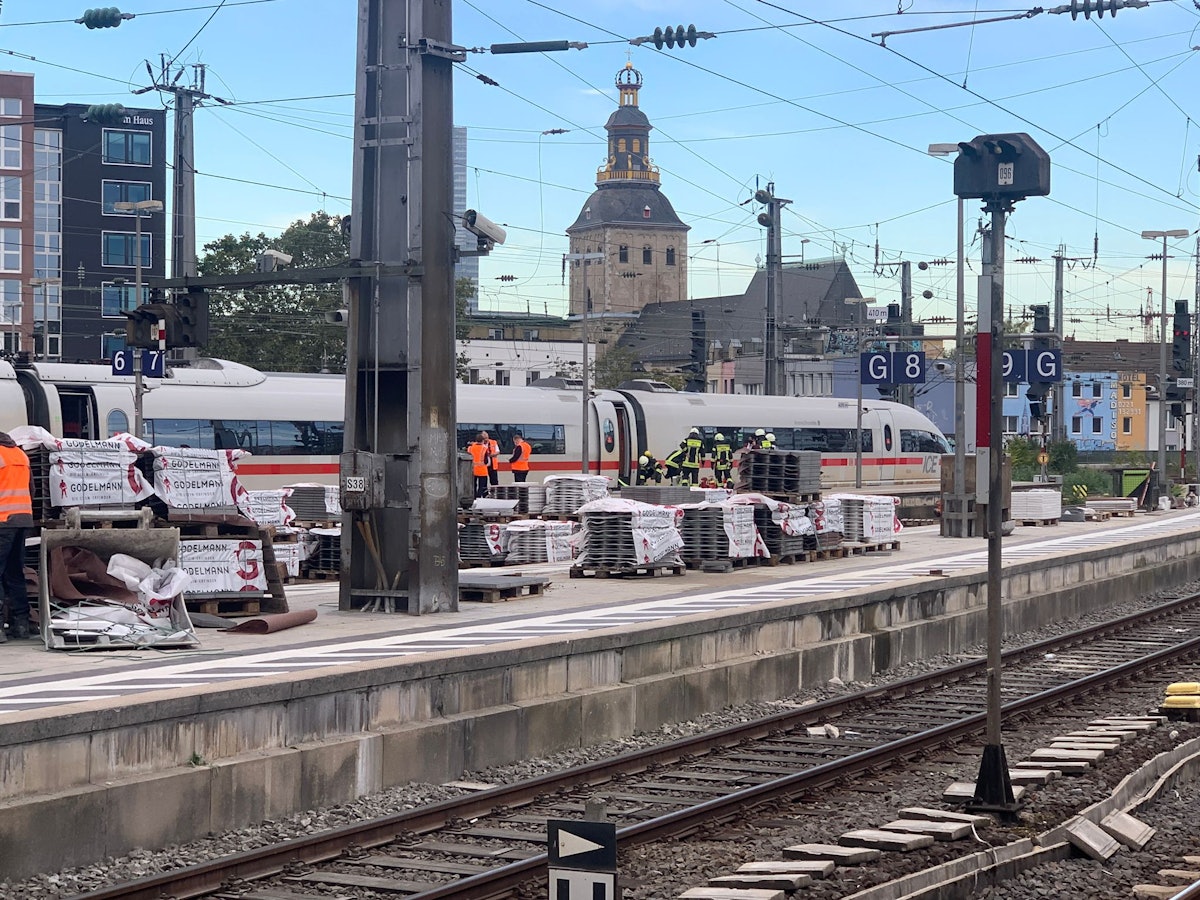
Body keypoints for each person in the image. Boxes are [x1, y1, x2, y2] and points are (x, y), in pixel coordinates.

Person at [0, 431, 34, 642]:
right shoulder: (21, 455)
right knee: (14, 573)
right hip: (23, 520)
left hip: (3, 520)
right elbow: (31, 488)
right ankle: (21, 624)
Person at [467, 432, 490, 499]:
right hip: (482, 470)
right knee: (482, 486)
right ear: (483, 441)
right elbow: (486, 461)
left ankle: (474, 497)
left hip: (472, 470)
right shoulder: (484, 448)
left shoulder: (470, 448)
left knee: (473, 485)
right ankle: (479, 497)